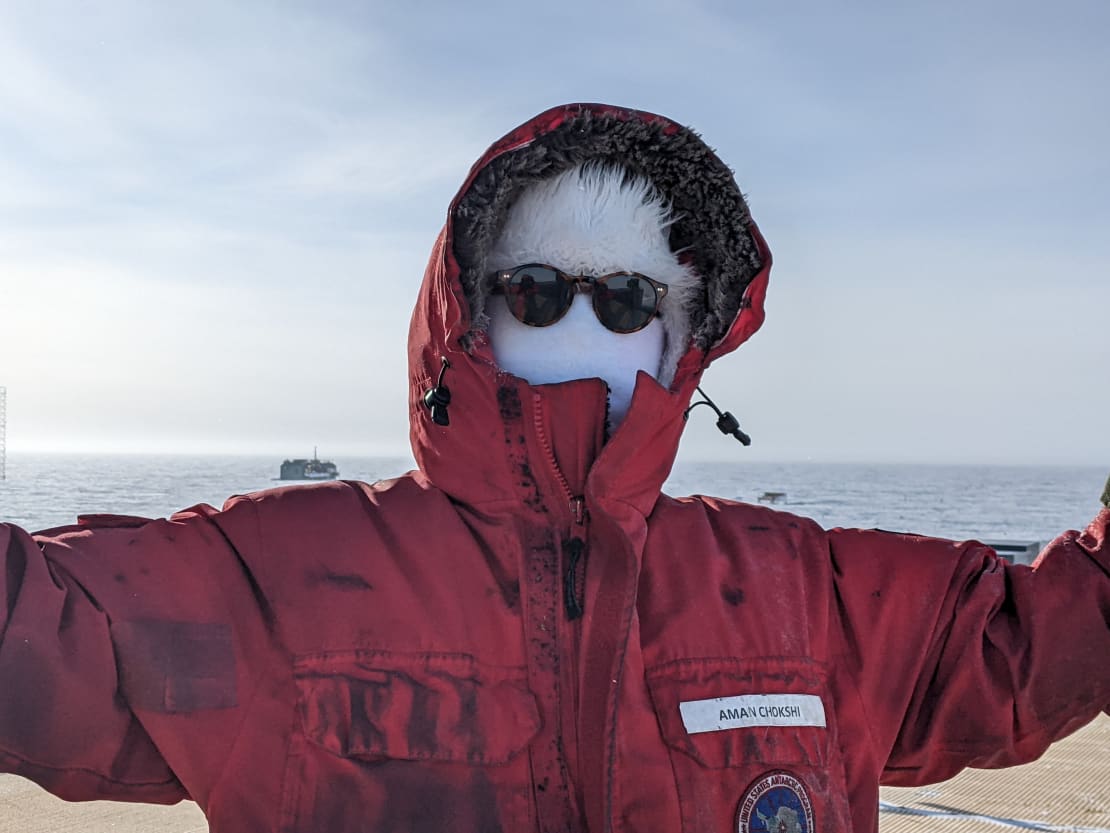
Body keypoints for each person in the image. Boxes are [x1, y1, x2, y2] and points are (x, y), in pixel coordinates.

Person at [1, 102, 1107, 833]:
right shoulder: (274, 570)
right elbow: (43, 639)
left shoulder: (800, 584)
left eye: (628, 299)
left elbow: (1025, 648)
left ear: (680, 334)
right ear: (471, 310)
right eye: (539, 289)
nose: (586, 324)